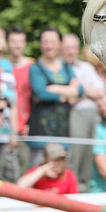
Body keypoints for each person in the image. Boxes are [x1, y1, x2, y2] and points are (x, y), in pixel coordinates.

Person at [27, 27, 82, 166]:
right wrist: (67, 93)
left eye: (53, 41)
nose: (49, 46)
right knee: (39, 171)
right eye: (45, 42)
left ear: (59, 44)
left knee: (63, 172)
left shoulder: (66, 66)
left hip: (63, 131)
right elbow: (42, 93)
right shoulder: (35, 67)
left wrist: (55, 88)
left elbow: (80, 90)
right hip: (41, 132)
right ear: (40, 44)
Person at [61, 33, 102, 192]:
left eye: (73, 48)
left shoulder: (86, 67)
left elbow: (100, 92)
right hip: (73, 115)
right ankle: (72, 188)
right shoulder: (59, 68)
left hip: (91, 114)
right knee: (74, 155)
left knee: (87, 154)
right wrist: (84, 92)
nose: (70, 52)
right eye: (66, 48)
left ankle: (83, 189)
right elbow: (67, 98)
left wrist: (79, 91)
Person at [3, 27, 33, 176]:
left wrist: (30, 123)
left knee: (22, 173)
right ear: (7, 43)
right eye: (13, 41)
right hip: (2, 129)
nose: (17, 45)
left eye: (21, 41)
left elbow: (36, 98)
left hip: (24, 131)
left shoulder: (32, 66)